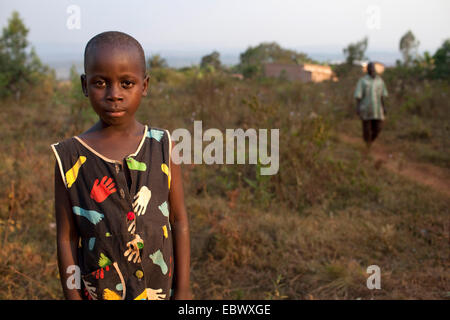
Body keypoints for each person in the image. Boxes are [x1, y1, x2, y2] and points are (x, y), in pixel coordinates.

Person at [51, 31, 191, 300]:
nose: (114, 95)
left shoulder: (163, 144)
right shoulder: (68, 157)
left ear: (145, 85)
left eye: (127, 83)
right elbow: (66, 238)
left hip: (159, 290)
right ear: (84, 85)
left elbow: (179, 220)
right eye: (100, 83)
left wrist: (183, 290)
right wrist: (72, 295)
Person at [354, 62, 388, 149]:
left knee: (378, 128)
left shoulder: (379, 81)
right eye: (370, 68)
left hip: (377, 109)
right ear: (367, 69)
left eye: (373, 68)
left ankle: (370, 141)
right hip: (366, 108)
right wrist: (358, 107)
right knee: (367, 129)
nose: (371, 69)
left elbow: (382, 96)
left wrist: (384, 107)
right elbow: (358, 95)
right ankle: (367, 145)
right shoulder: (363, 81)